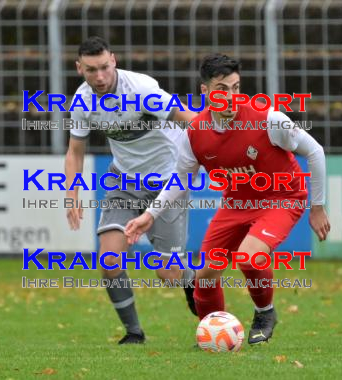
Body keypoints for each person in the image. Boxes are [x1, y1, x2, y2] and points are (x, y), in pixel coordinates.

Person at [125, 53, 330, 345]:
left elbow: (315, 152)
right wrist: (149, 215)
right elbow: (181, 180)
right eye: (222, 89)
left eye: (236, 88)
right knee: (204, 277)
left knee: (249, 257)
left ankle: (265, 312)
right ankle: (212, 333)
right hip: (236, 203)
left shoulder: (267, 119)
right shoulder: (195, 133)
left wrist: (318, 207)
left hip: (282, 198)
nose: (231, 96)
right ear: (205, 92)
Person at [65, 37, 197, 345]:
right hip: (123, 183)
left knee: (168, 273)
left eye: (104, 68)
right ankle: (134, 333)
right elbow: (75, 151)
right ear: (79, 68)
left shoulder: (141, 91)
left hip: (168, 182)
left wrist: (222, 152)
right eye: (90, 70)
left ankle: (202, 296)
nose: (99, 77)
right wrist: (72, 194)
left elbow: (189, 119)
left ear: (114, 60)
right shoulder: (82, 100)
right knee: (109, 262)